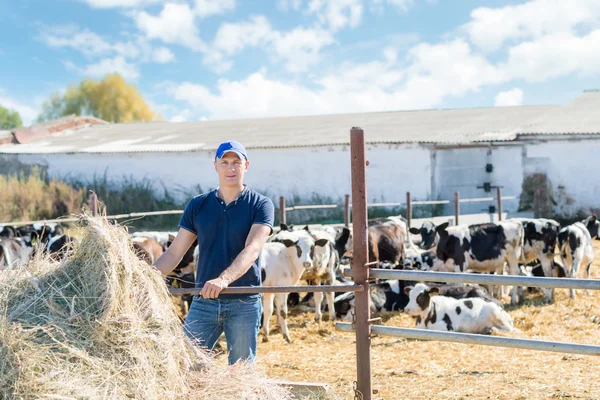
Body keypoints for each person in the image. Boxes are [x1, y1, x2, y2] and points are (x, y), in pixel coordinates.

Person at [152, 140, 274, 365]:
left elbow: (253, 249)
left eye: (236, 162)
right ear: (215, 165)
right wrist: (144, 276)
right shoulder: (198, 205)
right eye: (225, 162)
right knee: (184, 364)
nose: (231, 168)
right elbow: (174, 253)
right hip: (204, 301)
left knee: (240, 372)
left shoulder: (260, 205)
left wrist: (224, 279)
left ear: (246, 165)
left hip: (244, 301)